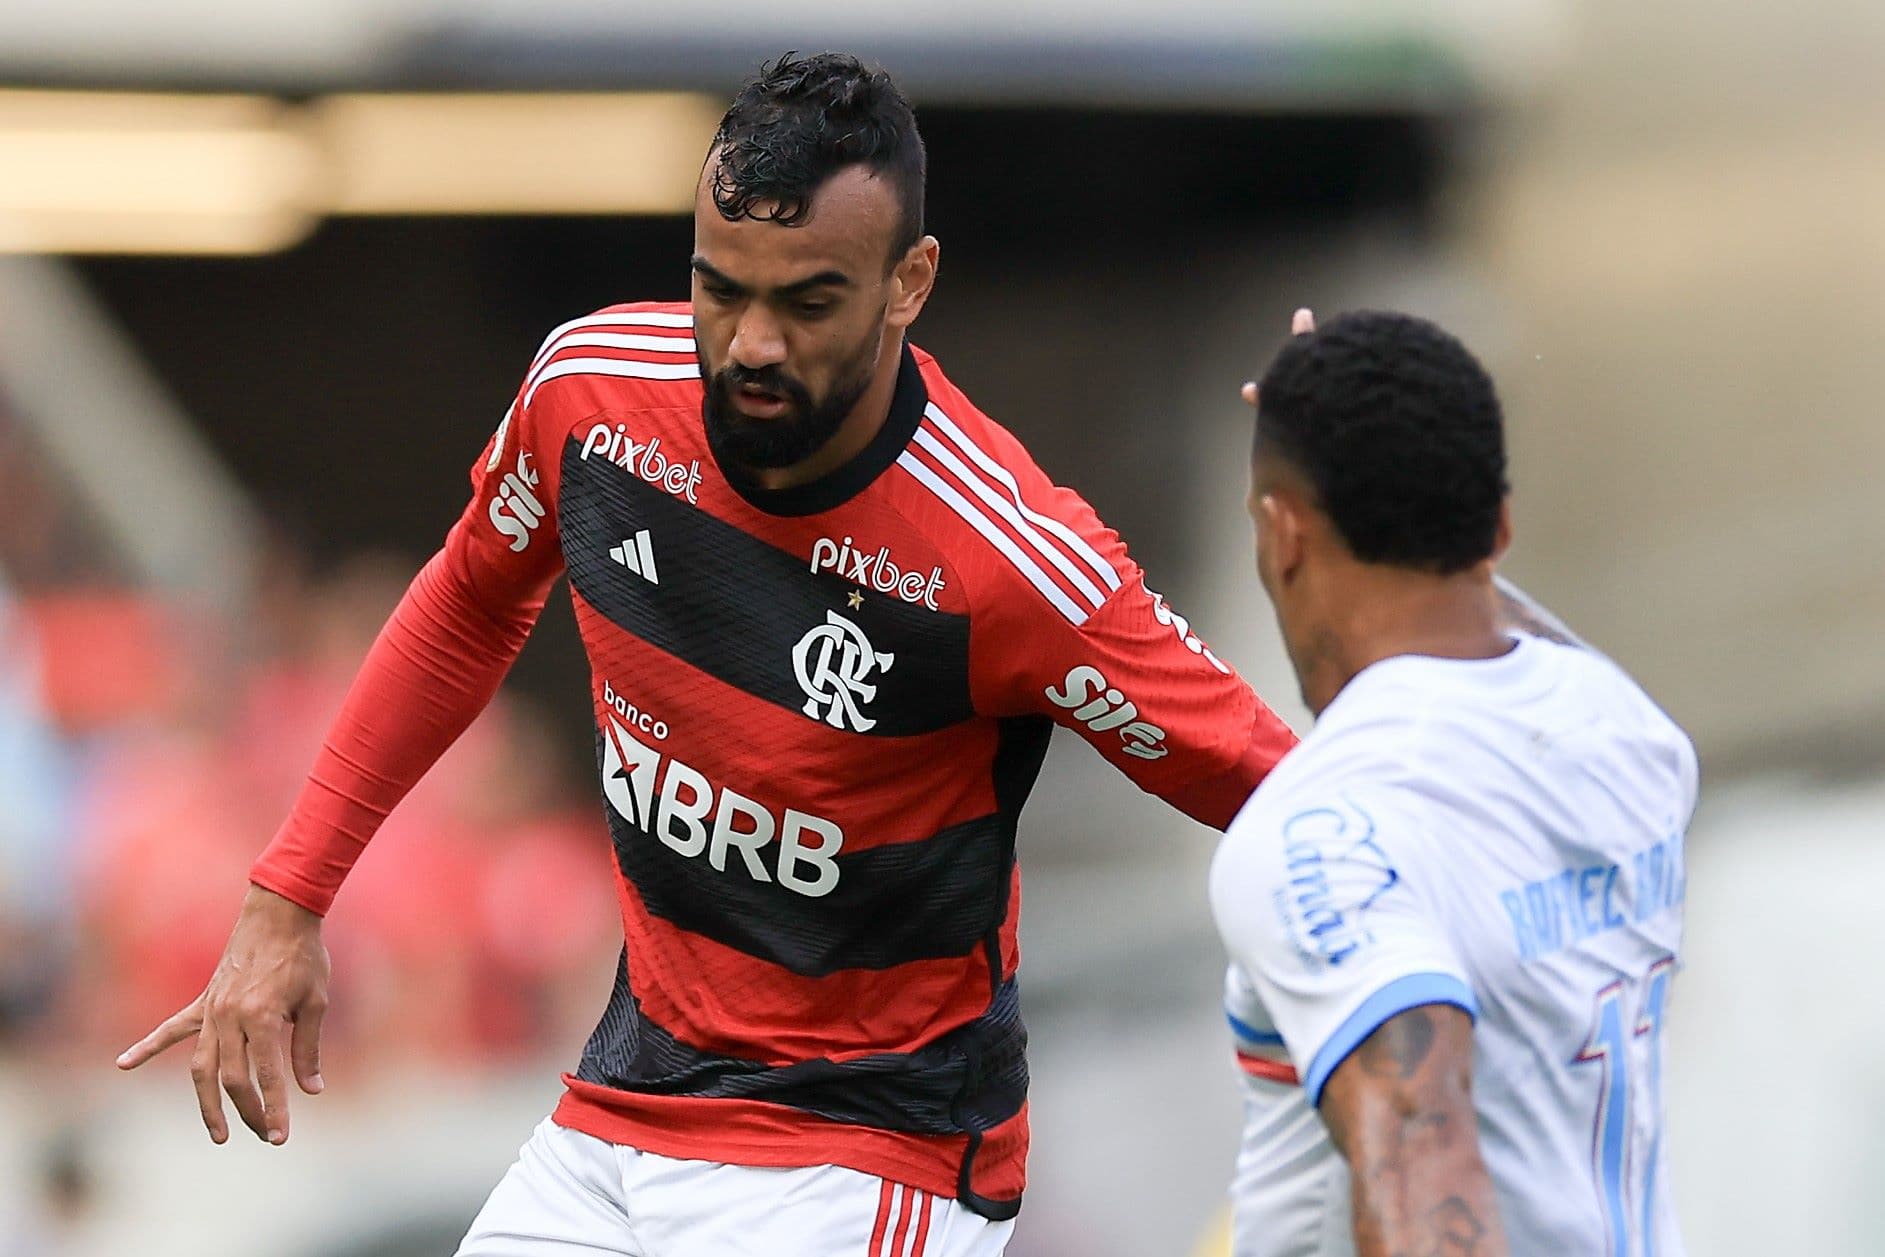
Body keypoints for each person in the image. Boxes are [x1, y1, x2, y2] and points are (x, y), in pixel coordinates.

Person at [116, 53, 1301, 1254]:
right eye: (720, 289)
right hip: (623, 1105)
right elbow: (470, 601)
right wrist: (287, 899)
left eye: (808, 302)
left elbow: (1284, 792)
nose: (750, 344)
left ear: (910, 284)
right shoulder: (590, 401)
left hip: (863, 1151)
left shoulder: (1011, 563)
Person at [1210, 308, 1697, 1256]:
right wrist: (1365, 454)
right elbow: (1490, 618)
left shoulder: (1316, 834)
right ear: (1499, 526)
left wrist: (1317, 459)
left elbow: (1427, 1167)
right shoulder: (1635, 735)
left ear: (1282, 535)